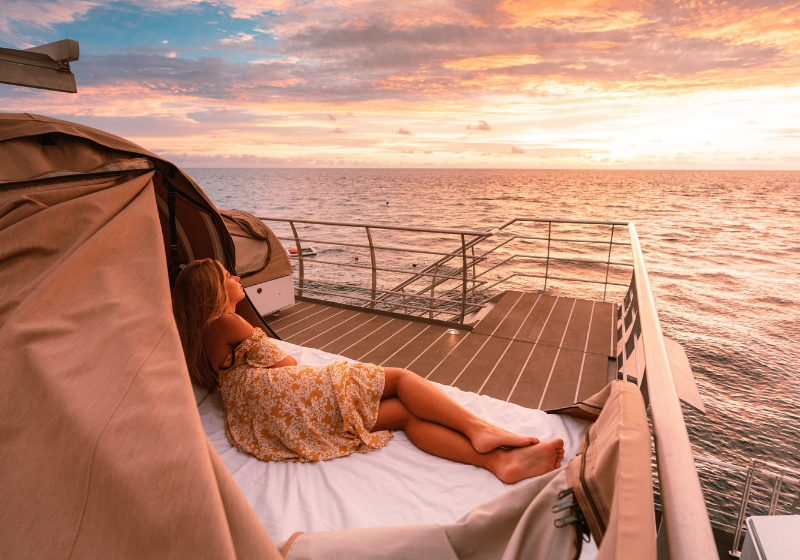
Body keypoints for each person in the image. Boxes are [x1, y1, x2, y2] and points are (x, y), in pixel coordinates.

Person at [172, 258, 564, 484]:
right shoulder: (227, 322)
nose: (237, 278)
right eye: (229, 276)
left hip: (265, 416)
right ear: (214, 290)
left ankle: (497, 461)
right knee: (400, 378)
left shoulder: (205, 334)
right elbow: (286, 364)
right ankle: (480, 429)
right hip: (279, 402)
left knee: (407, 414)